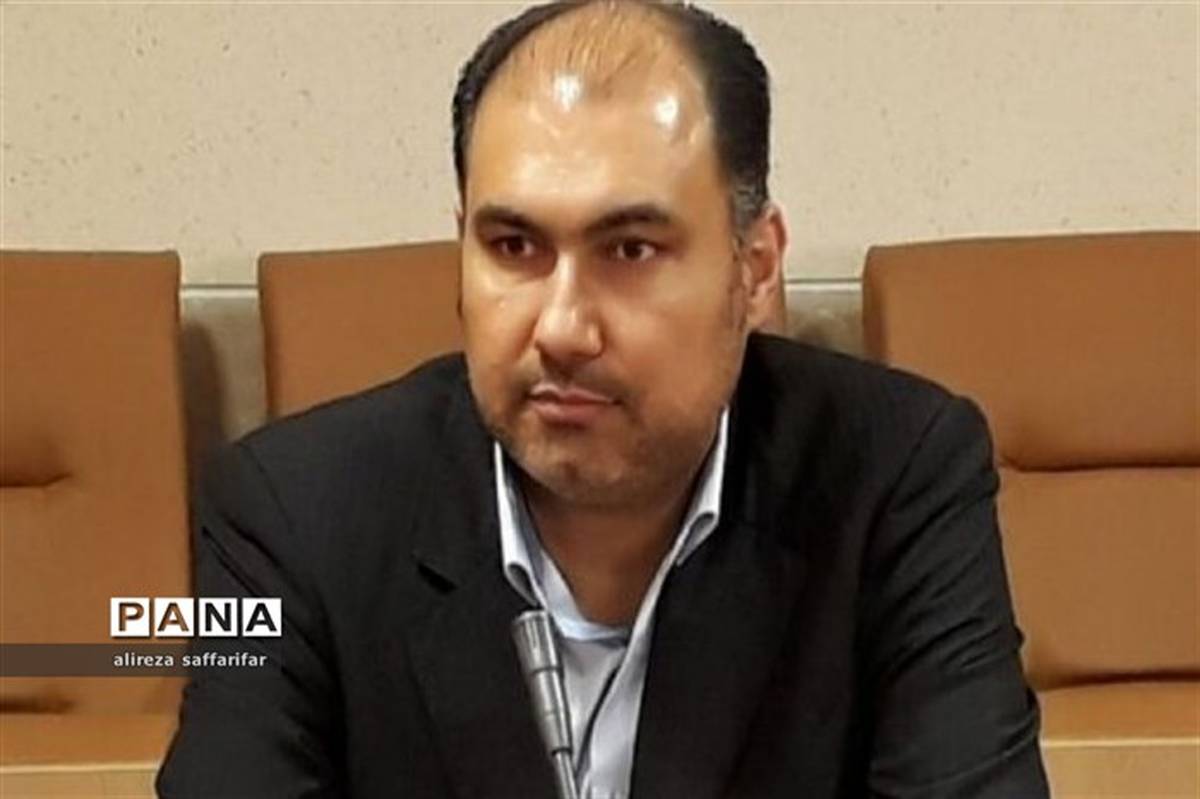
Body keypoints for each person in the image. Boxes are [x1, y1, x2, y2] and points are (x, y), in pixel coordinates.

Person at [157, 1, 1049, 796]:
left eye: (629, 250)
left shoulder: (895, 477)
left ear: (755, 267)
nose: (562, 328)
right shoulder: (290, 514)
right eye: (513, 247)